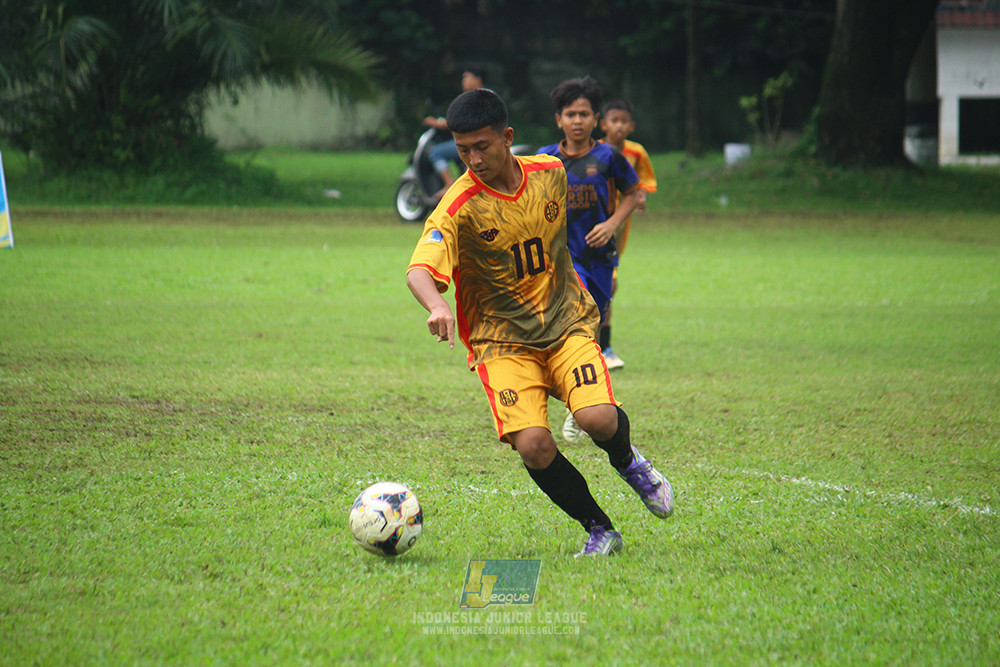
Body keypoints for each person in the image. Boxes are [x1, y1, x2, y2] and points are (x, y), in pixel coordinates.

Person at [406, 88, 673, 557]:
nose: (472, 159)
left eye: (482, 147)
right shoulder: (458, 205)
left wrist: (610, 227)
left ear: (507, 138)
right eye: (462, 149)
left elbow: (614, 187)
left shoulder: (550, 173)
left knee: (597, 418)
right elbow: (418, 268)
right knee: (534, 445)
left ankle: (630, 464)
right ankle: (599, 528)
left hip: (564, 323)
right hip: (503, 344)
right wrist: (437, 305)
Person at [537, 76, 640, 442]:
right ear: (559, 119)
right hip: (563, 259)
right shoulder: (545, 159)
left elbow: (634, 194)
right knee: (574, 323)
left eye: (584, 114)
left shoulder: (608, 157)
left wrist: (612, 223)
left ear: (595, 119)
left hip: (599, 257)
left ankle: (577, 402)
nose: (577, 120)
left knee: (590, 332)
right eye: (570, 114)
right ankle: (574, 401)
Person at [598, 99, 658, 371]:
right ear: (604, 124)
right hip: (597, 223)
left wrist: (641, 196)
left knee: (607, 285)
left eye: (624, 121)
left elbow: (644, 181)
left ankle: (600, 347)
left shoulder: (636, 152)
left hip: (620, 226)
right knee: (608, 284)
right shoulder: (594, 151)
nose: (619, 126)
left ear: (631, 126)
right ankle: (603, 348)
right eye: (614, 120)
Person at [422, 68, 487, 200]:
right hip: (479, 141)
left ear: (477, 80)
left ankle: (448, 184)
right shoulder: (485, 96)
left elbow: (459, 120)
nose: (463, 81)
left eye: (466, 78)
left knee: (436, 152)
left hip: (473, 141)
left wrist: (435, 123)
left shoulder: (476, 97)